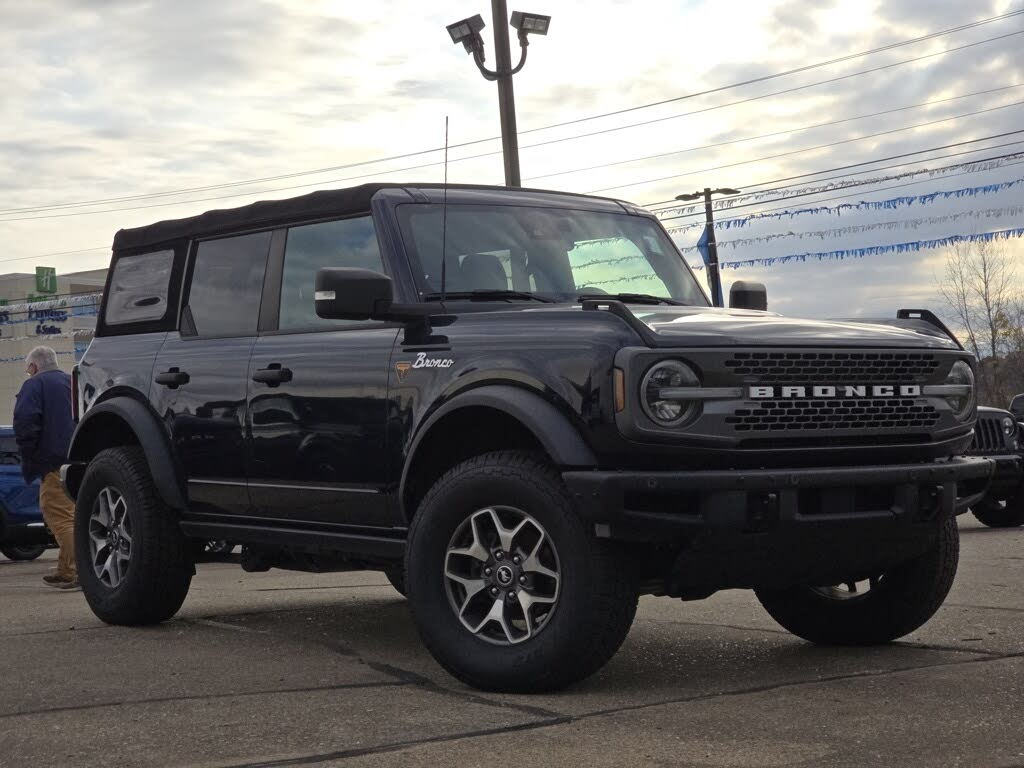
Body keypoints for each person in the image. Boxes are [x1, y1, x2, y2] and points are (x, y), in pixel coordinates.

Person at [13, 346, 77, 589]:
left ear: (33, 367)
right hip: (79, 462)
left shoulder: (34, 385)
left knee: (59, 518)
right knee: (73, 517)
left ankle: (76, 571)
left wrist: (31, 456)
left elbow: (25, 421)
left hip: (52, 462)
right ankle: (65, 569)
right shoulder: (72, 382)